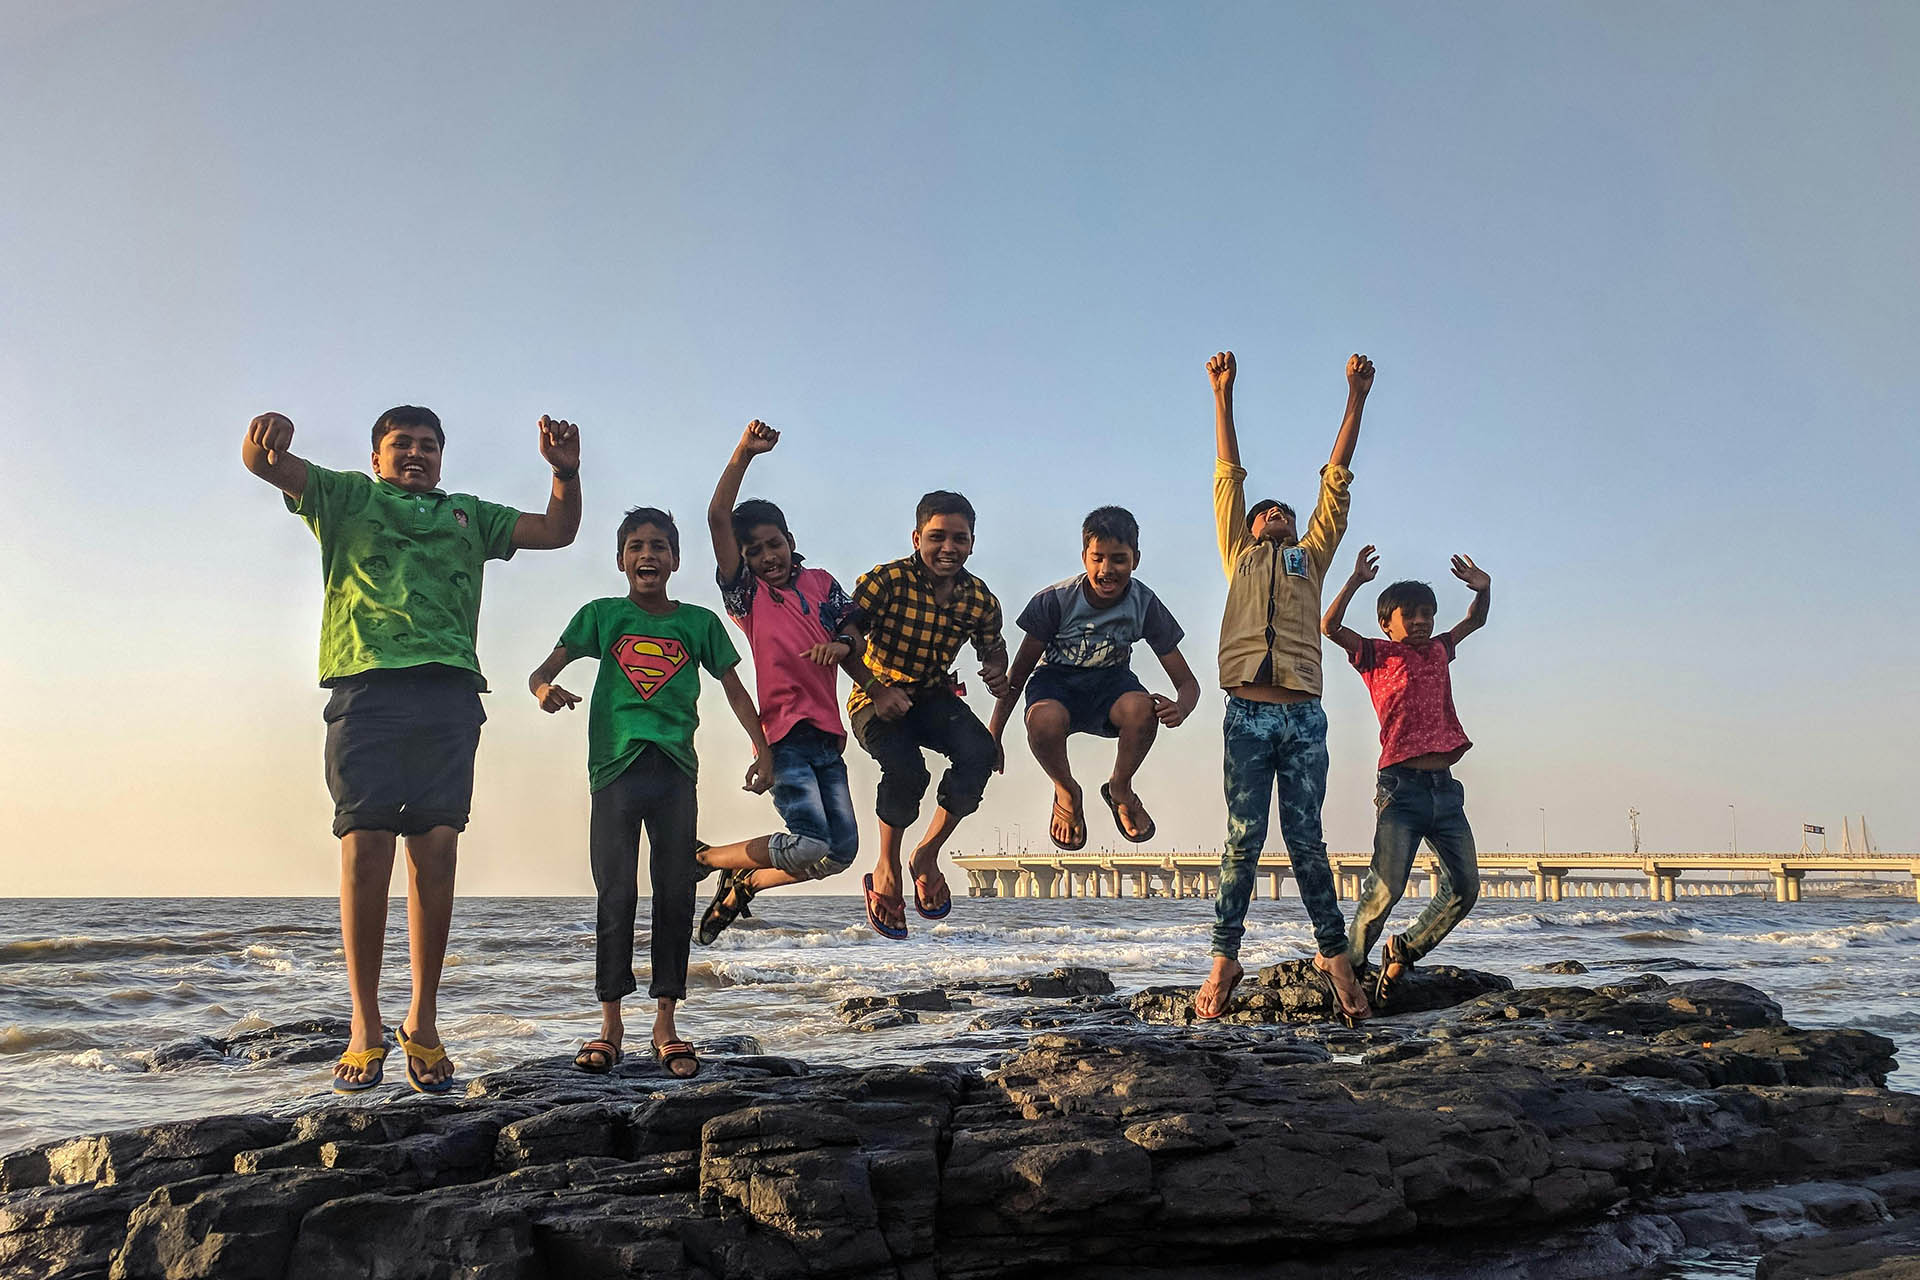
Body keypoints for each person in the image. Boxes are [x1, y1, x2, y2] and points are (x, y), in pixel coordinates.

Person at [242, 406, 581, 1093]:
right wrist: (264, 437)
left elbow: (557, 530)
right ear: (377, 457)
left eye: (429, 446)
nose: (417, 454)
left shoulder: (468, 514)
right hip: (365, 689)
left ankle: (421, 1021)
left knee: (436, 849)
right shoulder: (346, 496)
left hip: (449, 694)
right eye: (402, 445)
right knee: (365, 848)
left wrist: (564, 472)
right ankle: (364, 1023)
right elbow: (265, 465)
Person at [528, 508, 770, 1078]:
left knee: (673, 894)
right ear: (621, 560)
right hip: (613, 770)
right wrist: (544, 690)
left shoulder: (698, 623)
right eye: (637, 546)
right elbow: (542, 670)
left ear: (675, 560)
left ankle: (666, 1022)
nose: (648, 555)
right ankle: (610, 1023)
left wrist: (764, 748)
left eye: (660, 546)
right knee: (615, 894)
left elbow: (735, 689)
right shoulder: (602, 616)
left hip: (674, 770)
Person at [1198, 349, 1376, 1025]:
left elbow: (1336, 482)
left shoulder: (1311, 558)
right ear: (1247, 528)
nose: (1272, 515)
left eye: (1283, 514)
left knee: (1306, 841)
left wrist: (1354, 398)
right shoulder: (1237, 554)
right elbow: (1227, 476)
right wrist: (1223, 394)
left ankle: (1334, 957)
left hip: (1302, 718)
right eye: (1262, 513)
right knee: (1242, 840)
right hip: (1246, 712)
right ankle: (1225, 958)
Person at [694, 421, 864, 944]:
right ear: (743, 561)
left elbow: (852, 629)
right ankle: (703, 857)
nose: (768, 556)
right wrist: (745, 453)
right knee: (810, 843)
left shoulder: (821, 583)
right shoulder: (749, 598)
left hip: (827, 738)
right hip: (784, 736)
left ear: (791, 541)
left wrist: (846, 646)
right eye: (755, 552)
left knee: (840, 854)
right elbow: (718, 517)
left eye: (775, 544)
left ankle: (744, 885)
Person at [1323, 545, 1491, 1005]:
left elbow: (1474, 621)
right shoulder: (1376, 655)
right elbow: (1329, 627)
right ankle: (1351, 967)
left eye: (1427, 614)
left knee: (1465, 888)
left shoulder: (1439, 650)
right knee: (1386, 888)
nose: (1421, 622)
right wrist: (1356, 580)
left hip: (1446, 793)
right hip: (1400, 790)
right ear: (1387, 623)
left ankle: (1405, 949)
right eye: (1410, 615)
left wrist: (1484, 589)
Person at [846, 491, 1010, 938]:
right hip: (876, 698)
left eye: (959, 538)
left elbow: (993, 646)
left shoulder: (979, 598)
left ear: (972, 543)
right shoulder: (886, 581)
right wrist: (878, 690)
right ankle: (886, 868)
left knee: (979, 754)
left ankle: (926, 854)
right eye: (937, 537)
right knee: (907, 771)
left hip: (934, 696)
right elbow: (844, 638)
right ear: (917, 538)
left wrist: (997, 668)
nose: (948, 548)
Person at [989, 505, 1201, 849]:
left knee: (1142, 708)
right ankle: (1067, 791)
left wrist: (1182, 707)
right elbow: (1019, 674)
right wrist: (993, 734)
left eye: (1118, 559)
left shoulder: (1144, 604)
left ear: (1136, 559)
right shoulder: (1054, 601)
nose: (1107, 570)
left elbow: (1188, 683)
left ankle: (1120, 788)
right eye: (1097, 558)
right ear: (1085, 557)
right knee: (1042, 719)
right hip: (1055, 683)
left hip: (1111, 684)